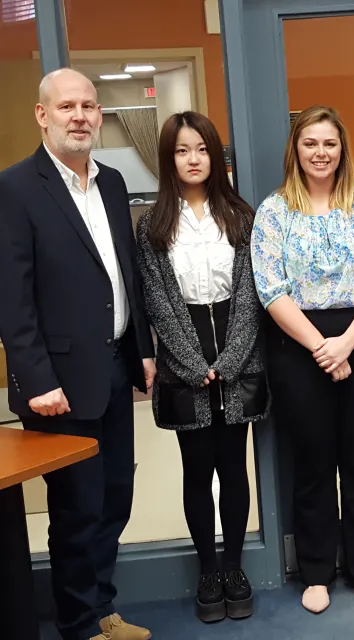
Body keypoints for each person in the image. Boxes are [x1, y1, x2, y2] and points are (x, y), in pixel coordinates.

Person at [0, 68, 156, 640]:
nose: (80, 116)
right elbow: (11, 300)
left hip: (114, 368)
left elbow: (125, 277)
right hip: (57, 386)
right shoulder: (15, 189)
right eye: (67, 106)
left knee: (116, 497)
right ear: (43, 115)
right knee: (75, 509)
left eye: (89, 105)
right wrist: (36, 378)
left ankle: (103, 608)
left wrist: (141, 349)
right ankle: (79, 624)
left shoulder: (112, 183)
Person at [251, 105, 354, 614]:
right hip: (299, 347)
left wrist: (347, 344)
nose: (320, 153)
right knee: (312, 464)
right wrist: (321, 346)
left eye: (329, 143)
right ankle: (316, 571)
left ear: (342, 149)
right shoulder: (274, 212)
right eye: (310, 143)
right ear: (296, 149)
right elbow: (271, 290)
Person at [135, 112, 270, 623]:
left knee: (234, 469)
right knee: (197, 471)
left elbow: (254, 294)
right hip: (181, 359)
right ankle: (208, 570)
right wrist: (193, 363)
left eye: (202, 150)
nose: (193, 159)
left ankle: (235, 567)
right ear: (169, 160)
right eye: (181, 151)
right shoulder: (153, 224)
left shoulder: (240, 215)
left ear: (215, 156)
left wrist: (231, 359)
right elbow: (156, 300)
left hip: (236, 352)